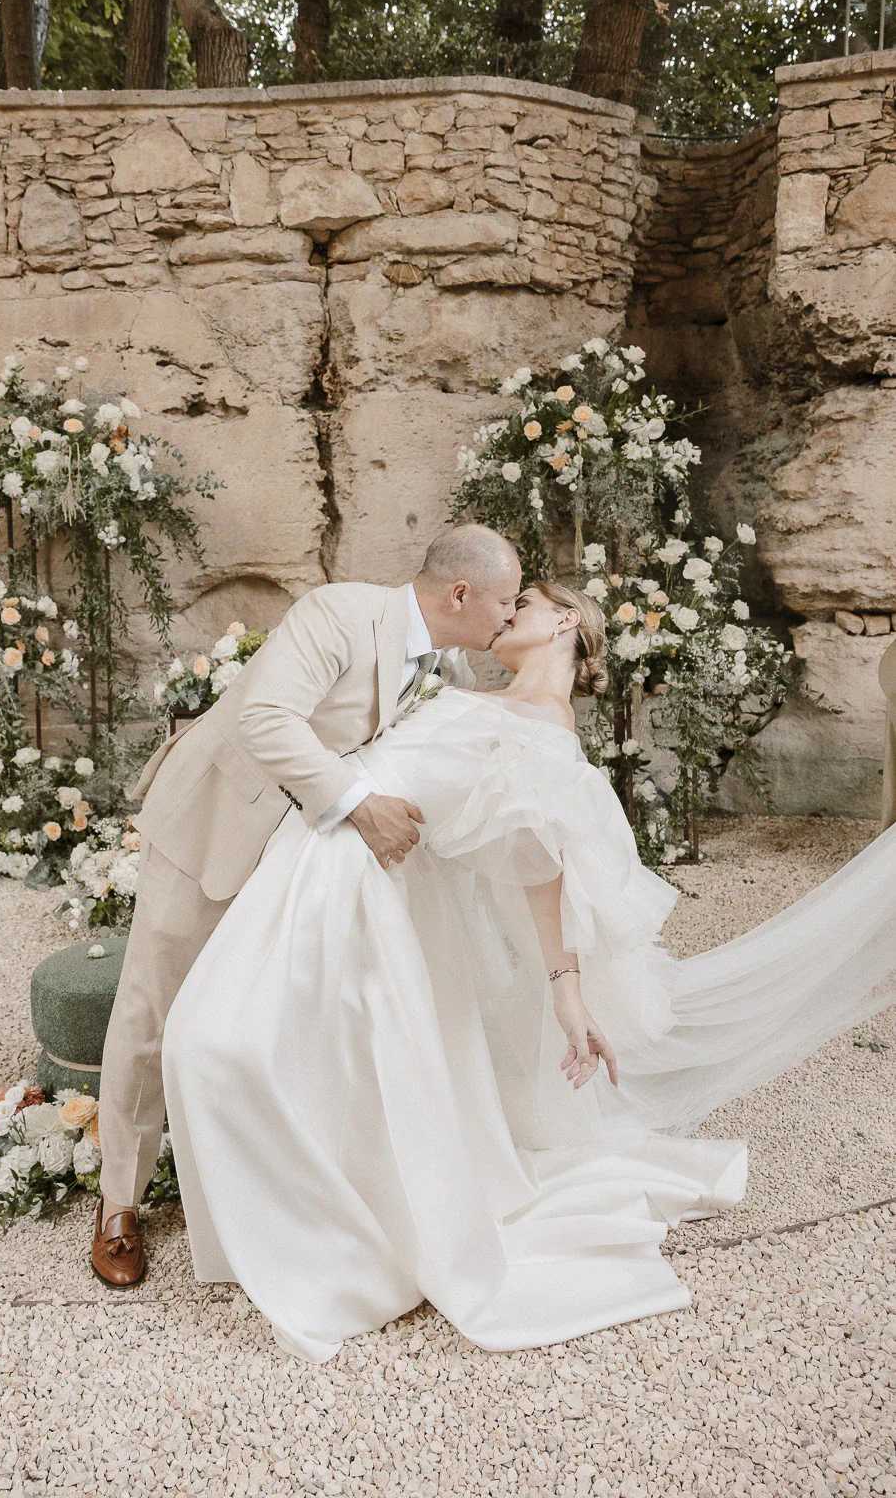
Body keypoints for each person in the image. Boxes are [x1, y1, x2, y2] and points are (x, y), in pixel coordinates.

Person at [160, 580, 896, 1362]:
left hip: (354, 893)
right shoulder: (451, 682)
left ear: (566, 621)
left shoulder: (544, 727)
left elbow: (540, 865)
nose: (507, 614)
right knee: (220, 1043)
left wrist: (565, 995)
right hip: (315, 868)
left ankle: (328, 1249)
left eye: (526, 604)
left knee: (220, 1044)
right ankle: (305, 1226)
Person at [91, 524, 524, 1286]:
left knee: (268, 1011)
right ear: (460, 593)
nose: (508, 618)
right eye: (505, 602)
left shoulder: (448, 664)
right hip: (217, 821)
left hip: (300, 859)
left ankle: (242, 1179)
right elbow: (265, 720)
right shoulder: (340, 613)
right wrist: (359, 804)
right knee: (153, 1009)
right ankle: (118, 1201)